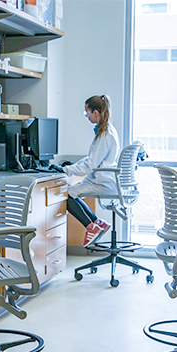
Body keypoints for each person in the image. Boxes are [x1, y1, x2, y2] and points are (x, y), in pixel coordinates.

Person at [54, 95, 119, 247]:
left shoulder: (105, 134)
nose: (87, 116)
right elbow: (92, 158)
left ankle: (91, 227)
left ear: (95, 112)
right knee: (71, 193)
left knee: (67, 195)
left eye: (87, 113)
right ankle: (97, 223)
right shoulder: (107, 130)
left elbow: (91, 164)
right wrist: (72, 166)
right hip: (103, 178)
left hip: (102, 182)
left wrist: (66, 169)